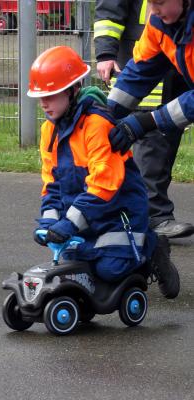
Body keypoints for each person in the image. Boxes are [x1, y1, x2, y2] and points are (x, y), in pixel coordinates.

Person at [27, 45, 180, 299]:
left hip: (118, 214)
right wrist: (50, 223)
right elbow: (51, 184)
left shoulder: (97, 125)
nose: (44, 103)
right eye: (40, 97)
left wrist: (68, 223)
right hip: (85, 218)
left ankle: (152, 248)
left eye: (51, 95)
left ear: (73, 90)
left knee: (109, 270)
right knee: (74, 268)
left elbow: (104, 185)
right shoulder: (49, 132)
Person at [94, 0, 194, 239]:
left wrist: (147, 122)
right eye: (150, 2)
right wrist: (106, 114)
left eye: (159, 2)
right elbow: (141, 69)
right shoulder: (160, 23)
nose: (153, 9)